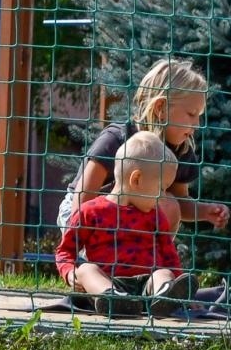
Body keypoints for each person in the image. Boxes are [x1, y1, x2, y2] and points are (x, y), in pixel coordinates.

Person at [55, 58, 226, 233]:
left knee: (169, 205)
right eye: (191, 114)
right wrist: (83, 239)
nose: (197, 124)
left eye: (199, 115)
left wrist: (204, 211)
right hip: (83, 212)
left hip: (126, 216)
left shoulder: (180, 149)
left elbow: (180, 201)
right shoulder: (117, 138)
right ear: (161, 108)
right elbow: (84, 196)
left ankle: (150, 258)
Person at [54, 131, 189, 317]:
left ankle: (164, 298)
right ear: (136, 179)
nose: (162, 195)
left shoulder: (155, 216)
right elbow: (65, 250)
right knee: (86, 270)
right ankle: (112, 300)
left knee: (163, 273)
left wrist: (178, 280)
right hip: (108, 281)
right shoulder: (90, 212)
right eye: (160, 188)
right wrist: (70, 273)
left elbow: (170, 256)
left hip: (146, 285)